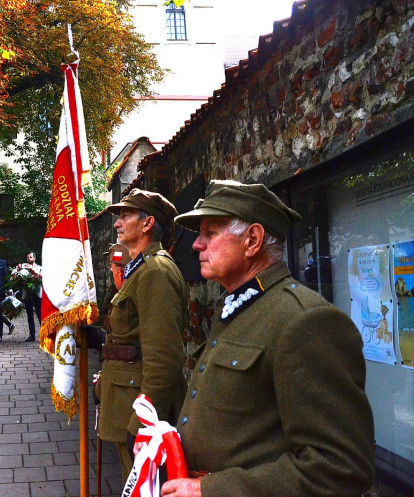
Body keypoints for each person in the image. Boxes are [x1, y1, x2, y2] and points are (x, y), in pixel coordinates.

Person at [160, 180, 374, 497]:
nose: (197, 245)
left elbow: (340, 466)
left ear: (253, 240)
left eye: (211, 232)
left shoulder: (305, 320)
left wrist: (211, 489)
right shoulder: (239, 306)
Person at [98, 189, 188, 480]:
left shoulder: (155, 272)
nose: (116, 223)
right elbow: (131, 337)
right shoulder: (138, 269)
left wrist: (141, 425)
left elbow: (164, 361)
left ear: (147, 223)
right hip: (126, 400)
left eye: (124, 215)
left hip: (138, 410)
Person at [22, 251, 42, 342]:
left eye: (30, 257)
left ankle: (44, 334)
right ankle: (32, 335)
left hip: (37, 294)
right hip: (27, 294)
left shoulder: (39, 268)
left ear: (34, 258)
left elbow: (43, 278)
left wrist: (36, 275)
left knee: (39, 314)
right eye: (28, 257)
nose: (29, 259)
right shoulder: (23, 268)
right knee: (29, 315)